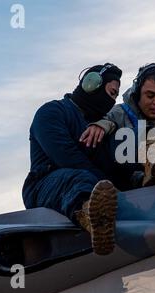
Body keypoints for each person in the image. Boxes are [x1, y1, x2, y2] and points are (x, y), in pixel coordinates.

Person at [22, 63, 122, 256]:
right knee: (79, 178)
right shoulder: (52, 111)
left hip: (89, 181)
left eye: (116, 96)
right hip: (44, 185)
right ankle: (92, 219)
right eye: (111, 93)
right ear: (91, 85)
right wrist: (107, 183)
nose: (112, 100)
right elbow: (65, 156)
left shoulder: (96, 126)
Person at [80, 63, 155, 187]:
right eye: (150, 96)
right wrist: (101, 125)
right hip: (131, 186)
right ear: (137, 94)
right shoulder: (120, 113)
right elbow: (109, 120)